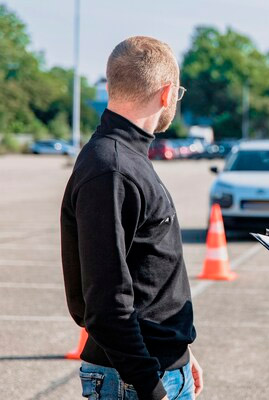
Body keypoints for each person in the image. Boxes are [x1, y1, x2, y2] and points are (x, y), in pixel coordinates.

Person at [61, 36, 202, 400]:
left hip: (161, 367)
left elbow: (146, 275)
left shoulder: (126, 158)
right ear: (168, 93)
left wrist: (181, 354)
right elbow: (106, 303)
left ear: (111, 85)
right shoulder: (112, 169)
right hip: (132, 381)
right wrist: (151, 387)